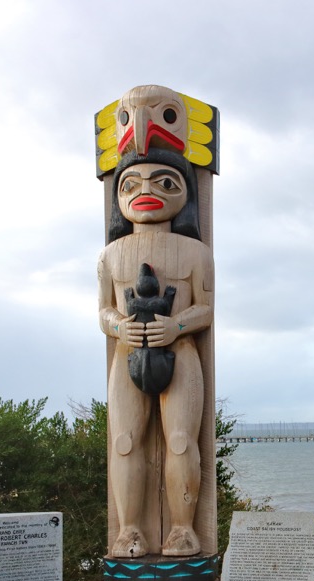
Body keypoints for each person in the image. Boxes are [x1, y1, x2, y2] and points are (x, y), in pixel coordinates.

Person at [97, 148, 213, 558]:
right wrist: (118, 325)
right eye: (130, 184)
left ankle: (183, 529)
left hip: (179, 351)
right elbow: (104, 311)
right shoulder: (111, 255)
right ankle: (129, 530)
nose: (145, 191)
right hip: (128, 353)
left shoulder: (195, 251)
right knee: (125, 441)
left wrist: (175, 325)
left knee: (181, 439)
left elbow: (206, 307)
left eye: (164, 182)